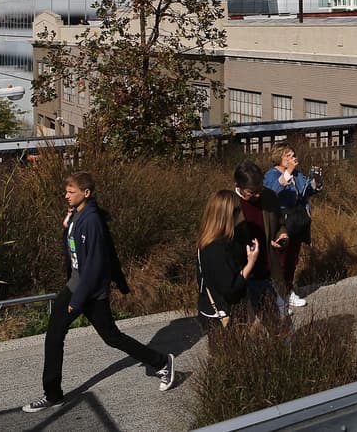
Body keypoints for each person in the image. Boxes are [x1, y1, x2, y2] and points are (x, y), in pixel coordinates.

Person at [23, 172, 175, 413]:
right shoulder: (77, 215)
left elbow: (94, 266)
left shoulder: (92, 220)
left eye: (70, 192)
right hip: (76, 285)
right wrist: (67, 227)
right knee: (54, 335)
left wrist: (77, 300)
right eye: (66, 191)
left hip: (89, 291)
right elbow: (74, 252)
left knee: (111, 337)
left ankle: (162, 362)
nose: (66, 195)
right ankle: (53, 394)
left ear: (86, 193)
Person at [263, 146, 319, 309]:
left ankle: (288, 290)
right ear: (279, 158)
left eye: (293, 155)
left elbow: (306, 190)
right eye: (288, 155)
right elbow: (272, 191)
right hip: (282, 222)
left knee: (292, 259)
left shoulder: (297, 174)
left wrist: (316, 182)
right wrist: (288, 172)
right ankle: (277, 294)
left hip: (297, 220)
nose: (292, 158)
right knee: (280, 259)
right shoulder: (271, 175)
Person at [196, 190, 260, 332]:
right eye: (239, 210)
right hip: (221, 316)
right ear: (230, 214)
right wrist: (251, 262)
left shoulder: (209, 240)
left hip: (213, 309)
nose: (241, 214)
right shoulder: (216, 249)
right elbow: (230, 290)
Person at [233, 161, 290, 317]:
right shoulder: (229, 204)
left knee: (278, 321)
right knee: (247, 322)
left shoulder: (269, 197)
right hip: (242, 274)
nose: (257, 195)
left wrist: (282, 236)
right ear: (238, 186)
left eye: (260, 189)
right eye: (252, 192)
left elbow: (280, 224)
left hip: (268, 270)